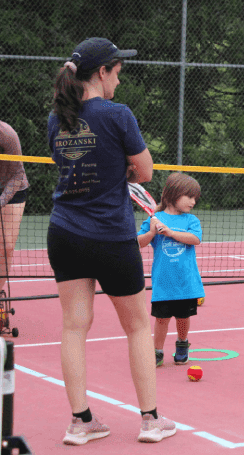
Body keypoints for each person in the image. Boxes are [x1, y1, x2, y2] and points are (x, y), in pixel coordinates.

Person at [47, 37, 176, 444]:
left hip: (64, 232)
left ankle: (80, 421)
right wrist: (122, 169)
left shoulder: (58, 117)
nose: (119, 80)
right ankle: (151, 420)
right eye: (117, 72)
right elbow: (146, 171)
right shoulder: (118, 114)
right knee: (138, 327)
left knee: (73, 327)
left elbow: (69, 166)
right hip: (111, 236)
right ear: (101, 72)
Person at [137, 173, 203, 368]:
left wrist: (171, 232)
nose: (193, 202)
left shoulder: (191, 220)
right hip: (163, 282)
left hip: (186, 282)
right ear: (174, 194)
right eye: (189, 197)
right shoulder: (154, 219)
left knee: (183, 317)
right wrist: (151, 232)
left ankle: (182, 344)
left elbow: (195, 239)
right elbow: (138, 243)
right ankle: (157, 351)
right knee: (161, 319)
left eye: (195, 198)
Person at [0, 121, 29, 295]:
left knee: (6, 245)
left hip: (12, 186)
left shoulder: (6, 133)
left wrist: (1, 200)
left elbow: (17, 174)